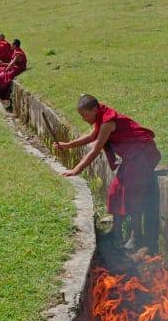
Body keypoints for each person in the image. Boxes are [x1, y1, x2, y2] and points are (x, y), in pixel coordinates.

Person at [56, 95, 161, 251]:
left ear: (95, 110)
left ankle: (137, 236)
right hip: (131, 158)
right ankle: (116, 233)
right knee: (114, 192)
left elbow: (96, 148)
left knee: (131, 195)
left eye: (85, 115)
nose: (83, 119)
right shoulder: (101, 116)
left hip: (142, 155)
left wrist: (76, 170)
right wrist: (68, 145)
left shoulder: (108, 122)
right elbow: (91, 136)